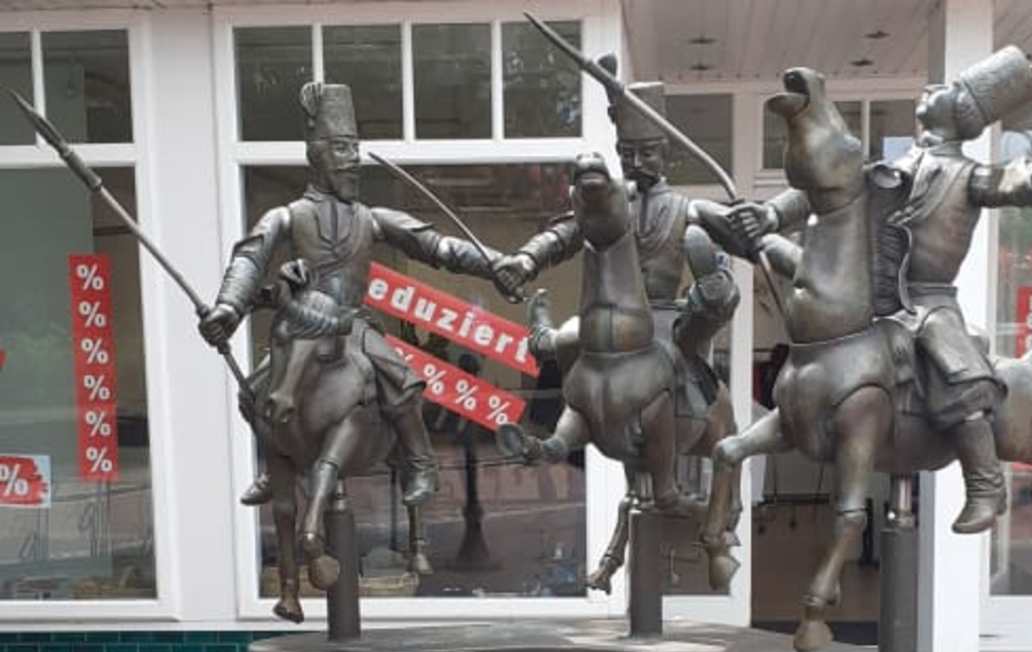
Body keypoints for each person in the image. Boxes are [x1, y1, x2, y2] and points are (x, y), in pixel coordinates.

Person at [731, 47, 1032, 533]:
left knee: (960, 375)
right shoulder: (886, 167)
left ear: (963, 113)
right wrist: (770, 214)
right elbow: (820, 190)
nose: (932, 89)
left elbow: (1031, 178)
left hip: (930, 302)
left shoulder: (971, 177)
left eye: (949, 90)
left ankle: (984, 484)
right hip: (873, 304)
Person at [198, 82, 503, 510]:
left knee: (403, 383)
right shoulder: (285, 217)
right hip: (303, 322)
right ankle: (275, 462)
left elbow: (439, 248)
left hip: (353, 326)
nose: (353, 159)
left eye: (355, 149)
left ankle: (421, 463)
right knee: (253, 394)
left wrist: (497, 263)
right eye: (342, 149)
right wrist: (229, 308)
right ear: (316, 154)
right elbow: (249, 259)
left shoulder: (372, 219)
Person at [491, 63, 760, 413]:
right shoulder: (609, 204)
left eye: (647, 153)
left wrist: (752, 225)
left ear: (665, 155)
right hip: (610, 316)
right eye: (627, 153)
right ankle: (548, 349)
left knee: (689, 358)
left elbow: (734, 230)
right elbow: (565, 233)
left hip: (665, 320)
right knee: (573, 337)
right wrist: (528, 258)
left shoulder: (687, 209)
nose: (636, 162)